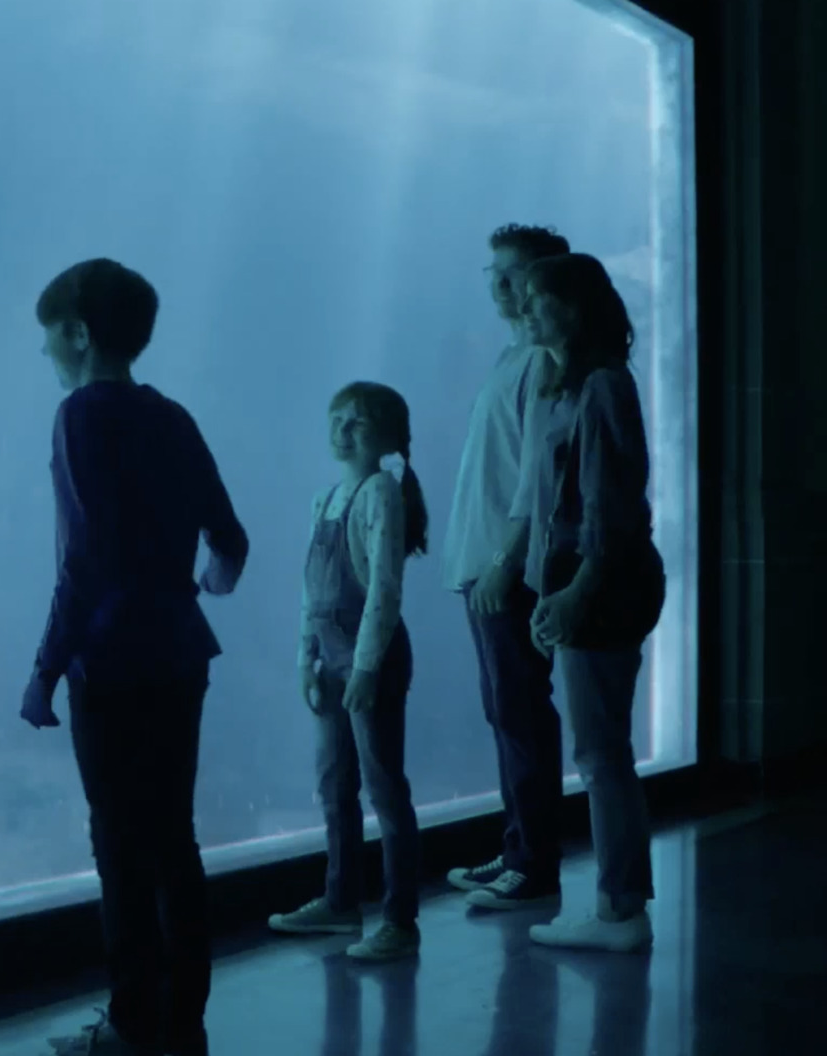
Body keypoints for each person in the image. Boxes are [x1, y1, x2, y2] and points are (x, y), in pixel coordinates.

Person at [20, 258, 250, 1056]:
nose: (46, 354)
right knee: (174, 839)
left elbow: (84, 560)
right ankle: (183, 1021)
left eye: (50, 338)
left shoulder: (80, 415)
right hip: (181, 651)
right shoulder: (174, 417)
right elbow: (230, 539)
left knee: (119, 842)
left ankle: (128, 1022)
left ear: (79, 334)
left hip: (110, 660)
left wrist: (46, 667)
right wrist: (197, 587)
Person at [512, 252, 665, 952]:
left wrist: (575, 590)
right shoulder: (576, 387)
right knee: (604, 750)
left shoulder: (602, 386)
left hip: (600, 584)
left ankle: (618, 908)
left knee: (601, 754)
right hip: (589, 580)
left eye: (538, 299)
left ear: (573, 308)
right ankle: (618, 902)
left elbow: (610, 507)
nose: (525, 310)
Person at [267, 381, 427, 962]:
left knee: (385, 788)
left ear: (385, 436)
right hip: (330, 661)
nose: (342, 432)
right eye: (336, 419)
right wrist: (305, 661)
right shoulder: (325, 498)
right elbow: (310, 591)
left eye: (356, 423)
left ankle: (400, 920)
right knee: (335, 785)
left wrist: (364, 667)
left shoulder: (382, 490)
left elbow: (385, 588)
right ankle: (340, 902)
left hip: (370, 658)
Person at [441, 223, 573, 910]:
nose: (498, 283)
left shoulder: (544, 362)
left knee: (520, 708)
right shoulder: (510, 356)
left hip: (507, 570)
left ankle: (534, 862)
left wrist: (504, 560)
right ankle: (520, 845)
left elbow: (537, 480)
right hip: (483, 563)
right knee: (505, 709)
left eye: (512, 271)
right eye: (491, 270)